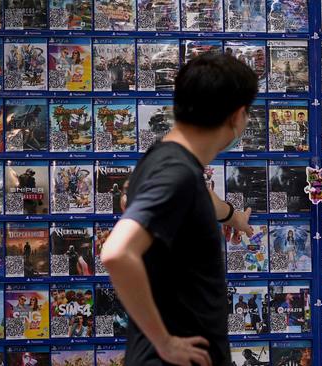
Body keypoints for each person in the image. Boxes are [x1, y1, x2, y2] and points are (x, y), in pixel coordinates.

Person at [101, 53, 258, 366]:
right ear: (237, 115)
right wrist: (165, 342)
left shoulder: (168, 161)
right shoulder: (177, 173)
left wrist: (233, 217)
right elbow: (117, 252)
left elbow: (197, 199)